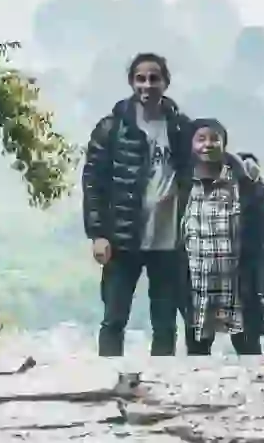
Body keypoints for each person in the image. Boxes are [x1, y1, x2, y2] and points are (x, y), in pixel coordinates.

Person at [81, 52, 192, 356]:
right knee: (114, 319)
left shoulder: (181, 129)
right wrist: (98, 234)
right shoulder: (112, 128)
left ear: (166, 82)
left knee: (165, 323)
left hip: (168, 240)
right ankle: (108, 383)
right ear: (131, 82)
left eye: (154, 78)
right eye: (140, 78)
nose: (147, 85)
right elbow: (93, 182)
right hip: (123, 238)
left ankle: (162, 387)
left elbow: (201, 171)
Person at [177, 118, 264, 356]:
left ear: (224, 143)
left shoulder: (245, 182)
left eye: (214, 138)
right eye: (200, 139)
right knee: (197, 351)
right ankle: (196, 392)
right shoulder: (182, 183)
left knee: (247, 348)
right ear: (191, 144)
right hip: (198, 281)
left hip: (238, 280)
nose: (208, 144)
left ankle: (257, 391)